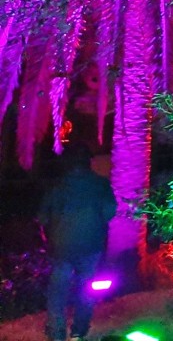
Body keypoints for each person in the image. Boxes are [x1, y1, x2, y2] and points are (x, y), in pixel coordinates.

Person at [37, 143, 116, 341]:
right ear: (88, 162)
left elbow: (43, 218)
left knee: (58, 292)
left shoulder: (57, 186)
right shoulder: (100, 184)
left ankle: (56, 333)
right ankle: (78, 332)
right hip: (91, 245)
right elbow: (109, 212)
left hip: (61, 247)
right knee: (85, 288)